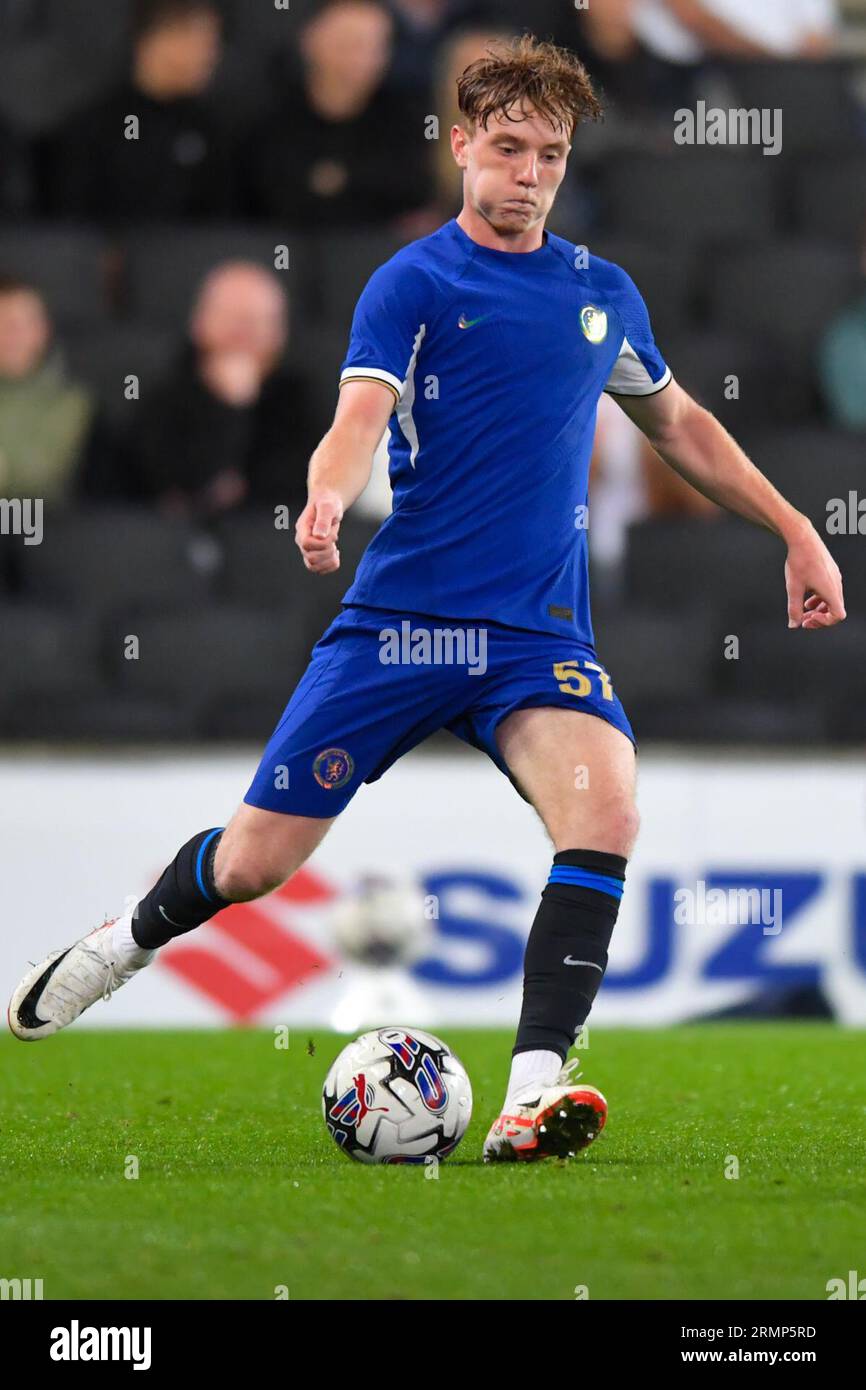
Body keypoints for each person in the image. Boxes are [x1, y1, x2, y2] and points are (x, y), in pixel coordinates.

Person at [9, 36, 846, 1165]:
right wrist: (321, 496)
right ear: (460, 145)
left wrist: (794, 527)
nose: (529, 172)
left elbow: (680, 425)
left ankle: (531, 1093)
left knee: (603, 812)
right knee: (256, 865)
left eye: (550, 153)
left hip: (532, 637)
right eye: (507, 147)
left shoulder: (601, 294)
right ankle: (126, 940)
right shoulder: (414, 280)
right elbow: (357, 418)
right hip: (399, 628)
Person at [90, 261, 317, 517]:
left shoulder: (299, 402)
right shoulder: (162, 395)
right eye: (232, 319)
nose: (243, 334)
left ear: (280, 334)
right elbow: (161, 483)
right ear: (199, 322)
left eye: (257, 321)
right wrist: (228, 409)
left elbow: (294, 488)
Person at [244, 0, 432, 229]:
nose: (364, 60)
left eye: (377, 47)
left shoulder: (404, 121)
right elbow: (268, 194)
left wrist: (338, 181)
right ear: (310, 40)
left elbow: (412, 193)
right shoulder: (270, 120)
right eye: (351, 44)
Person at [42, 0, 235, 223]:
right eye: (195, 40)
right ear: (150, 41)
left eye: (213, 43)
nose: (209, 56)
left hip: (193, 256)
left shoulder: (211, 130)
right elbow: (68, 227)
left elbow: (224, 230)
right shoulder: (94, 129)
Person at [0, 277, 109, 506]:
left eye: (17, 325)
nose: (9, 337)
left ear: (42, 331)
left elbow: (43, 480)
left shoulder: (73, 403)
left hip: (35, 527)